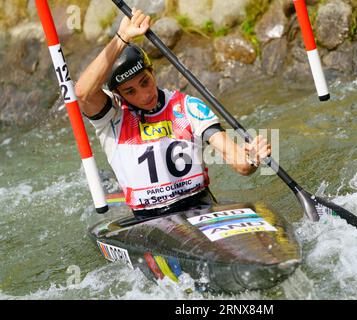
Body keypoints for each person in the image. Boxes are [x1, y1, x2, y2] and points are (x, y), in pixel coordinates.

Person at [75, 8, 271, 219]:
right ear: (117, 93)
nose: (143, 95)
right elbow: (83, 92)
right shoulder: (113, 117)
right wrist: (122, 38)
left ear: (153, 72)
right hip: (148, 222)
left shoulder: (189, 108)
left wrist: (251, 158)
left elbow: (240, 164)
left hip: (200, 209)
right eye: (130, 91)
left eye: (145, 82)